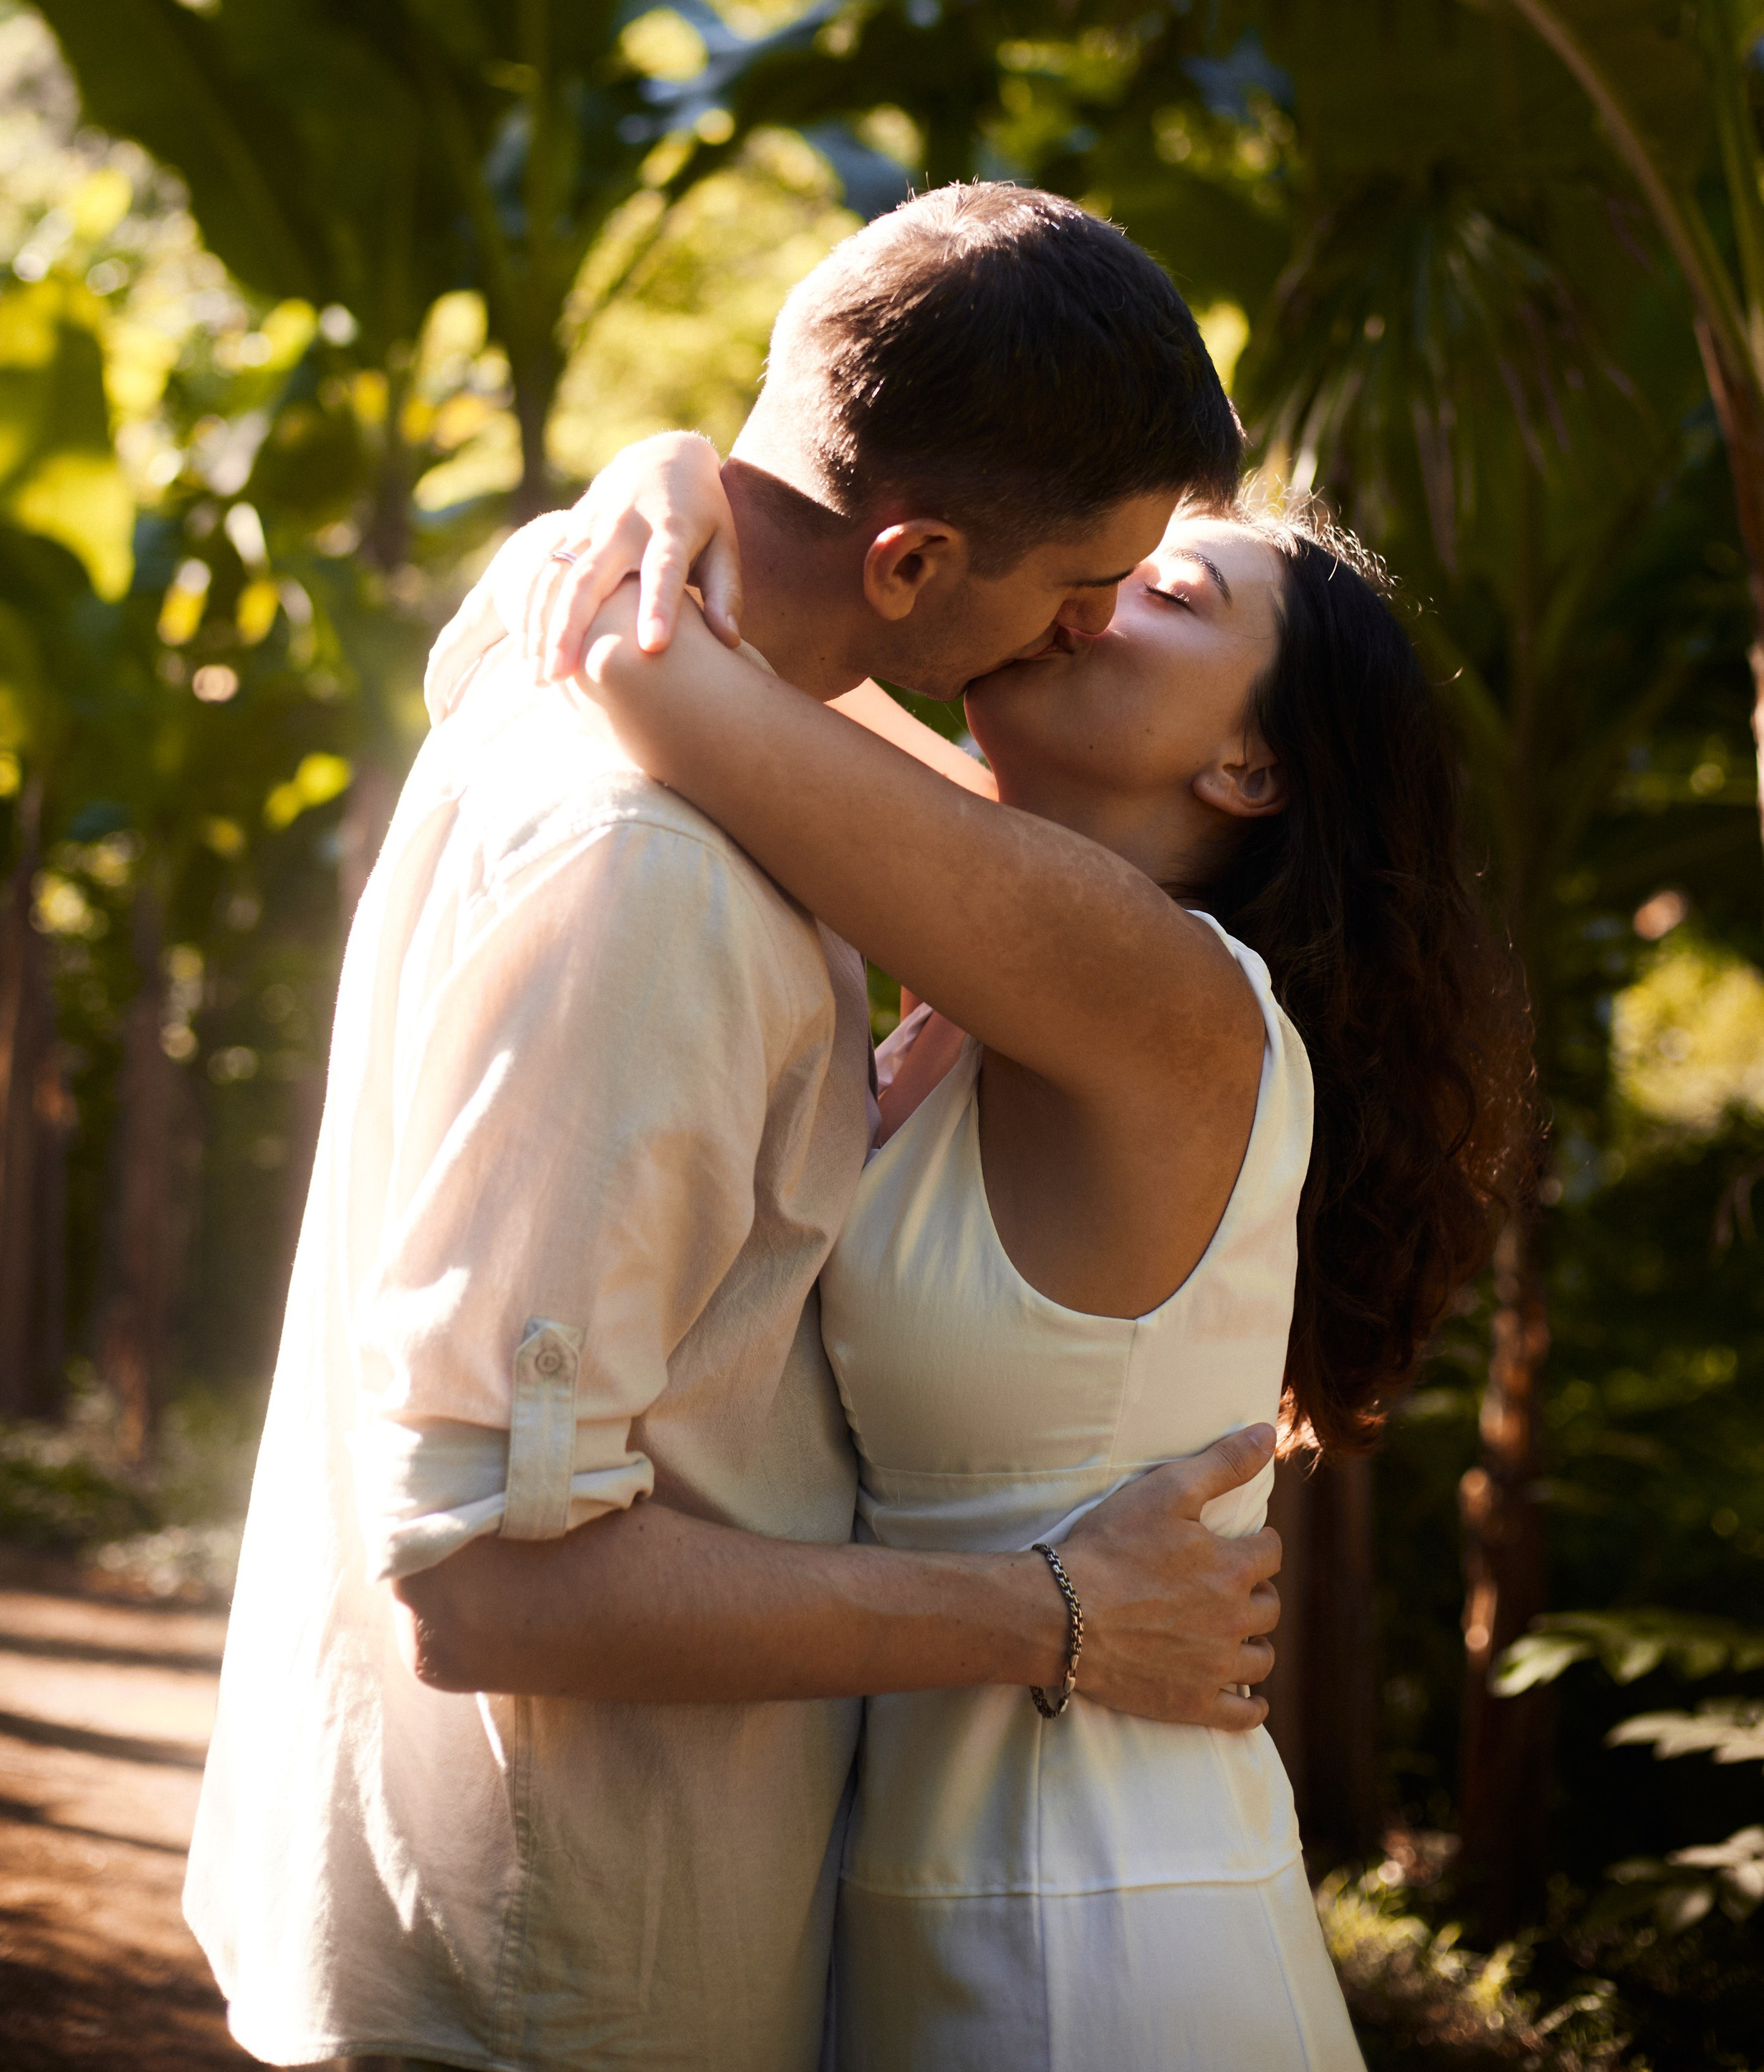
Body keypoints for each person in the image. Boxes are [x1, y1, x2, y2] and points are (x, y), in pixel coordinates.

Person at [183, 184, 1286, 2072]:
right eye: (1080, 580)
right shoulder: (657, 877)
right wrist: (1050, 1613)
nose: (1087, 624)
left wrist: (664, 473)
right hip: (562, 1967)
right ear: (911, 560)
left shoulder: (574, 664)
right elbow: (487, 1577)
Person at [434, 421, 1530, 2070]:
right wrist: (674, 466)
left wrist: (669, 493)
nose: (1087, 603)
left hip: (1093, 1924)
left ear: (1247, 768)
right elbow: (698, 615)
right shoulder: (1002, 923)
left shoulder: (1156, 990)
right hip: (939, 1881)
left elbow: (645, 651)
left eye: (1161, 591)